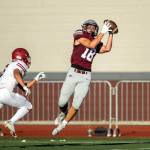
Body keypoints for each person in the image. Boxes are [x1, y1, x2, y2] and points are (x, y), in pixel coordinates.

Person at [52, 19, 115, 136]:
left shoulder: (97, 40)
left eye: (93, 27)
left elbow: (107, 48)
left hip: (86, 76)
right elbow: (91, 44)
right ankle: (63, 112)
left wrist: (110, 33)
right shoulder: (79, 34)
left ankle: (63, 124)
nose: (91, 28)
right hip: (73, 73)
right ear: (84, 27)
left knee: (77, 104)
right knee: (62, 102)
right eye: (89, 26)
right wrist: (103, 32)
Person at [0, 48, 46, 137]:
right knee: (28, 106)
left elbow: (23, 84)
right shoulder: (19, 64)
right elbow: (16, 73)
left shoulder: (10, 65)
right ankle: (11, 122)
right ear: (21, 58)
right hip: (4, 92)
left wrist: (35, 80)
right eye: (26, 58)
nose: (28, 60)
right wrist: (24, 87)